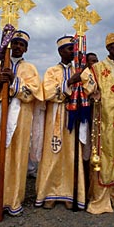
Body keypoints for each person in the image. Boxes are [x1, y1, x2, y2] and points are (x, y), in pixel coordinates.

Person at [72, 32, 114, 214]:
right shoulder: (97, 68)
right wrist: (90, 87)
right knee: (105, 153)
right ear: (108, 48)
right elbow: (88, 86)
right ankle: (102, 196)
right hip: (105, 119)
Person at [0, 30, 41, 217]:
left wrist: (15, 83)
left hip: (21, 119)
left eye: (22, 44)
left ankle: (14, 200)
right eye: (15, 43)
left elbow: (35, 93)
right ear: (9, 45)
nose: (18, 47)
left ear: (26, 49)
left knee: (18, 158)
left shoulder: (30, 68)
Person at [35, 36, 87, 210]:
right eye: (68, 48)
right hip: (55, 116)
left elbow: (91, 87)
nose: (72, 51)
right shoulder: (51, 71)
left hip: (74, 116)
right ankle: (48, 192)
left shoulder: (79, 70)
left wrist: (83, 82)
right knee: (52, 153)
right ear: (60, 51)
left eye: (74, 48)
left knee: (71, 154)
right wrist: (69, 82)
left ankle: (70, 193)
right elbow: (47, 92)